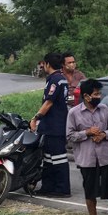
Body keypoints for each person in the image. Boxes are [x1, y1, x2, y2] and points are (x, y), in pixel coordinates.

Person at [67, 79, 108, 215]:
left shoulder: (104, 109)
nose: (99, 96)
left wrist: (104, 134)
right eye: (96, 94)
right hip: (87, 159)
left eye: (99, 93)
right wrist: (87, 133)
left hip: (106, 157)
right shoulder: (74, 113)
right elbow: (70, 136)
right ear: (86, 96)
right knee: (90, 190)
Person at [31, 52, 71, 197]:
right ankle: (48, 187)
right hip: (52, 125)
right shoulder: (60, 79)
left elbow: (48, 103)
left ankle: (62, 189)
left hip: (55, 125)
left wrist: (35, 118)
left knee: (58, 158)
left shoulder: (55, 80)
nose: (43, 66)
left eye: (44, 64)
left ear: (47, 64)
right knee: (48, 158)